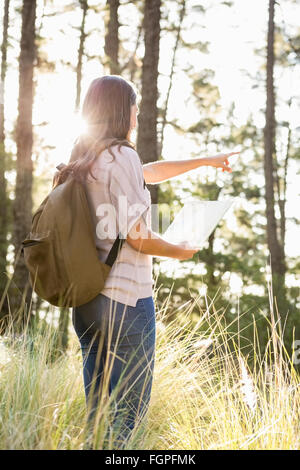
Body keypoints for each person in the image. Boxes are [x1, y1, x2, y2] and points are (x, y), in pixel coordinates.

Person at [56, 75, 238, 449]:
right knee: (128, 416)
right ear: (123, 110)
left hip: (87, 301)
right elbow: (137, 236)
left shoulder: (86, 159)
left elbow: (149, 172)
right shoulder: (121, 156)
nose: (137, 113)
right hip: (125, 301)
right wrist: (179, 249)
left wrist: (204, 160)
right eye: (134, 106)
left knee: (99, 412)